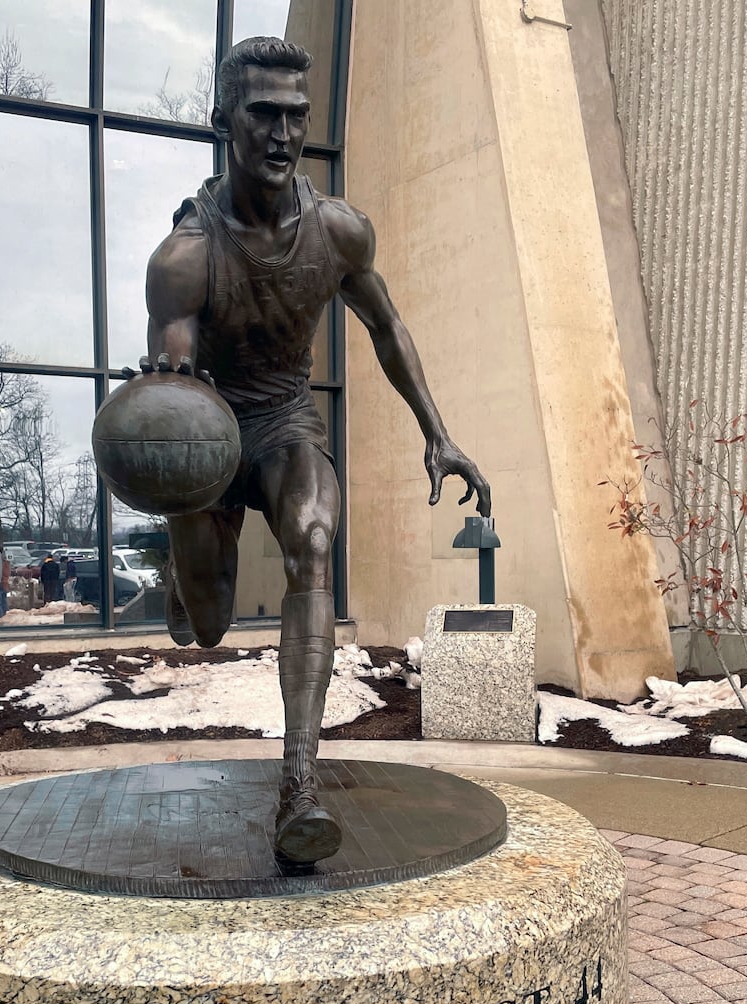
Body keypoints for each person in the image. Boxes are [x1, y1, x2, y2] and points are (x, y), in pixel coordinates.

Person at [136, 36, 489, 862]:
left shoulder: (339, 231)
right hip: (212, 426)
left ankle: (299, 782)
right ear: (224, 120)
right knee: (213, 627)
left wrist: (438, 434)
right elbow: (176, 360)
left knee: (314, 543)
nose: (282, 134)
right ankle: (190, 562)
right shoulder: (185, 257)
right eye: (263, 114)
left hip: (287, 421)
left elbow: (388, 326)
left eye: (296, 116)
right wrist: (173, 391)